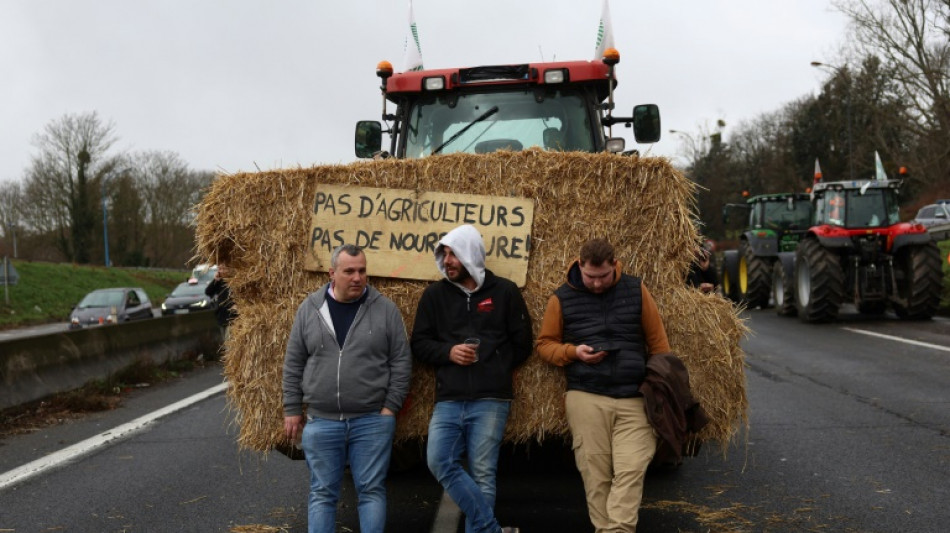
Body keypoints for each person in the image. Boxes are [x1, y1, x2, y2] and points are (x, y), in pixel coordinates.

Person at [536, 238, 673, 533]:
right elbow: (545, 345)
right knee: (595, 472)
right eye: (590, 277)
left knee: (632, 468)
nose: (597, 284)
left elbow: (659, 344)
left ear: (614, 265)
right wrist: (574, 352)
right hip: (586, 395)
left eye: (603, 277)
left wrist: (657, 382)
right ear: (579, 266)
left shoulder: (636, 290)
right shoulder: (561, 298)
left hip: (634, 395)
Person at [282, 244, 412, 533]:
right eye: (349, 271)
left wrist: (389, 408)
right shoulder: (310, 309)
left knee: (371, 491)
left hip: (371, 421)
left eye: (362, 271)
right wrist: (292, 408)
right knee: (322, 493)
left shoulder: (385, 310)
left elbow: (401, 362)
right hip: (322, 420)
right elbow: (293, 362)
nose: (357, 277)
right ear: (332, 274)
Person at [410, 224, 532, 533]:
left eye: (453, 255)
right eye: (445, 254)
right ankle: (490, 529)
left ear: (471, 256)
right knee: (439, 461)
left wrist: (497, 366)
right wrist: (448, 352)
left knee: (482, 473)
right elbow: (419, 343)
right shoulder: (434, 295)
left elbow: (523, 343)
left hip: (491, 398)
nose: (447, 261)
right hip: (449, 398)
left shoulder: (505, 291)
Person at [204, 263, 236, 336]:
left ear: (230, 269)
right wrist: (215, 280)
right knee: (225, 343)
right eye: (219, 269)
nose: (221, 271)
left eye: (223, 269)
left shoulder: (235, 281)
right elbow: (208, 292)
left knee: (229, 342)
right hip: (221, 317)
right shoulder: (219, 281)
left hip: (232, 318)